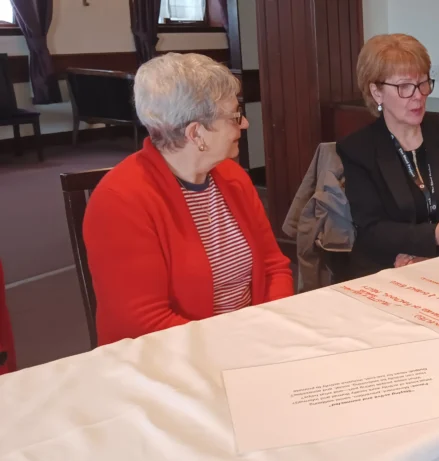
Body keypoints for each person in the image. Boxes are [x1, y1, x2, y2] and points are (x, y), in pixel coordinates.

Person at [84, 53, 293, 345]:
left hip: (250, 342)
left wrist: (269, 327)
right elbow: (144, 323)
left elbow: (273, 267)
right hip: (172, 359)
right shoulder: (120, 200)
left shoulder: (232, 177)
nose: (244, 124)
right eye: (234, 116)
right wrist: (240, 343)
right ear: (196, 134)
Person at [337, 34, 439, 278]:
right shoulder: (358, 149)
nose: (418, 95)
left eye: (422, 83)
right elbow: (372, 229)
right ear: (376, 92)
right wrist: (432, 238)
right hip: (386, 269)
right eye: (404, 87)